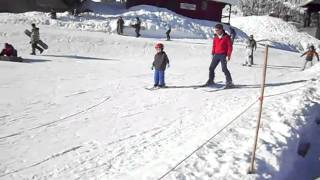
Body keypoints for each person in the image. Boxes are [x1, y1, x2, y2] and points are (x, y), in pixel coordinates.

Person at [205, 23, 233, 88]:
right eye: (216, 30)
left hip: (223, 55)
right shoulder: (215, 37)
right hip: (216, 55)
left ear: (221, 29)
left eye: (217, 30)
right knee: (211, 68)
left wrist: (228, 55)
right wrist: (212, 53)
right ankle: (211, 80)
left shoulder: (226, 37)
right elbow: (214, 46)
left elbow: (230, 47)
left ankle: (229, 82)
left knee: (224, 69)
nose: (216, 31)